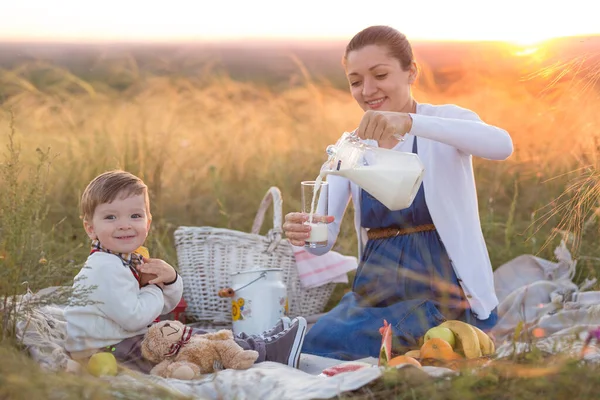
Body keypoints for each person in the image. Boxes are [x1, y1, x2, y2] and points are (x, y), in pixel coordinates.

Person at [282, 25, 513, 361]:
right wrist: (304, 233)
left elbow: (501, 146)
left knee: (357, 344)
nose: (368, 90)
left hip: (441, 290)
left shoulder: (443, 120)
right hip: (375, 290)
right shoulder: (350, 146)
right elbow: (322, 242)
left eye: (380, 75)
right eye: (356, 81)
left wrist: (408, 122)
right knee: (316, 340)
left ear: (411, 72)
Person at [64, 170, 307, 373]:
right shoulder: (103, 267)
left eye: (135, 215)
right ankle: (267, 351)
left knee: (194, 335)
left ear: (147, 222)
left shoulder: (124, 260)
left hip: (125, 341)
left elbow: (165, 306)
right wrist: (154, 288)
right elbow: (135, 317)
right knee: (188, 343)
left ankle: (259, 343)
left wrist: (170, 280)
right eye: (111, 217)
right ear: (90, 229)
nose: (125, 224)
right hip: (108, 352)